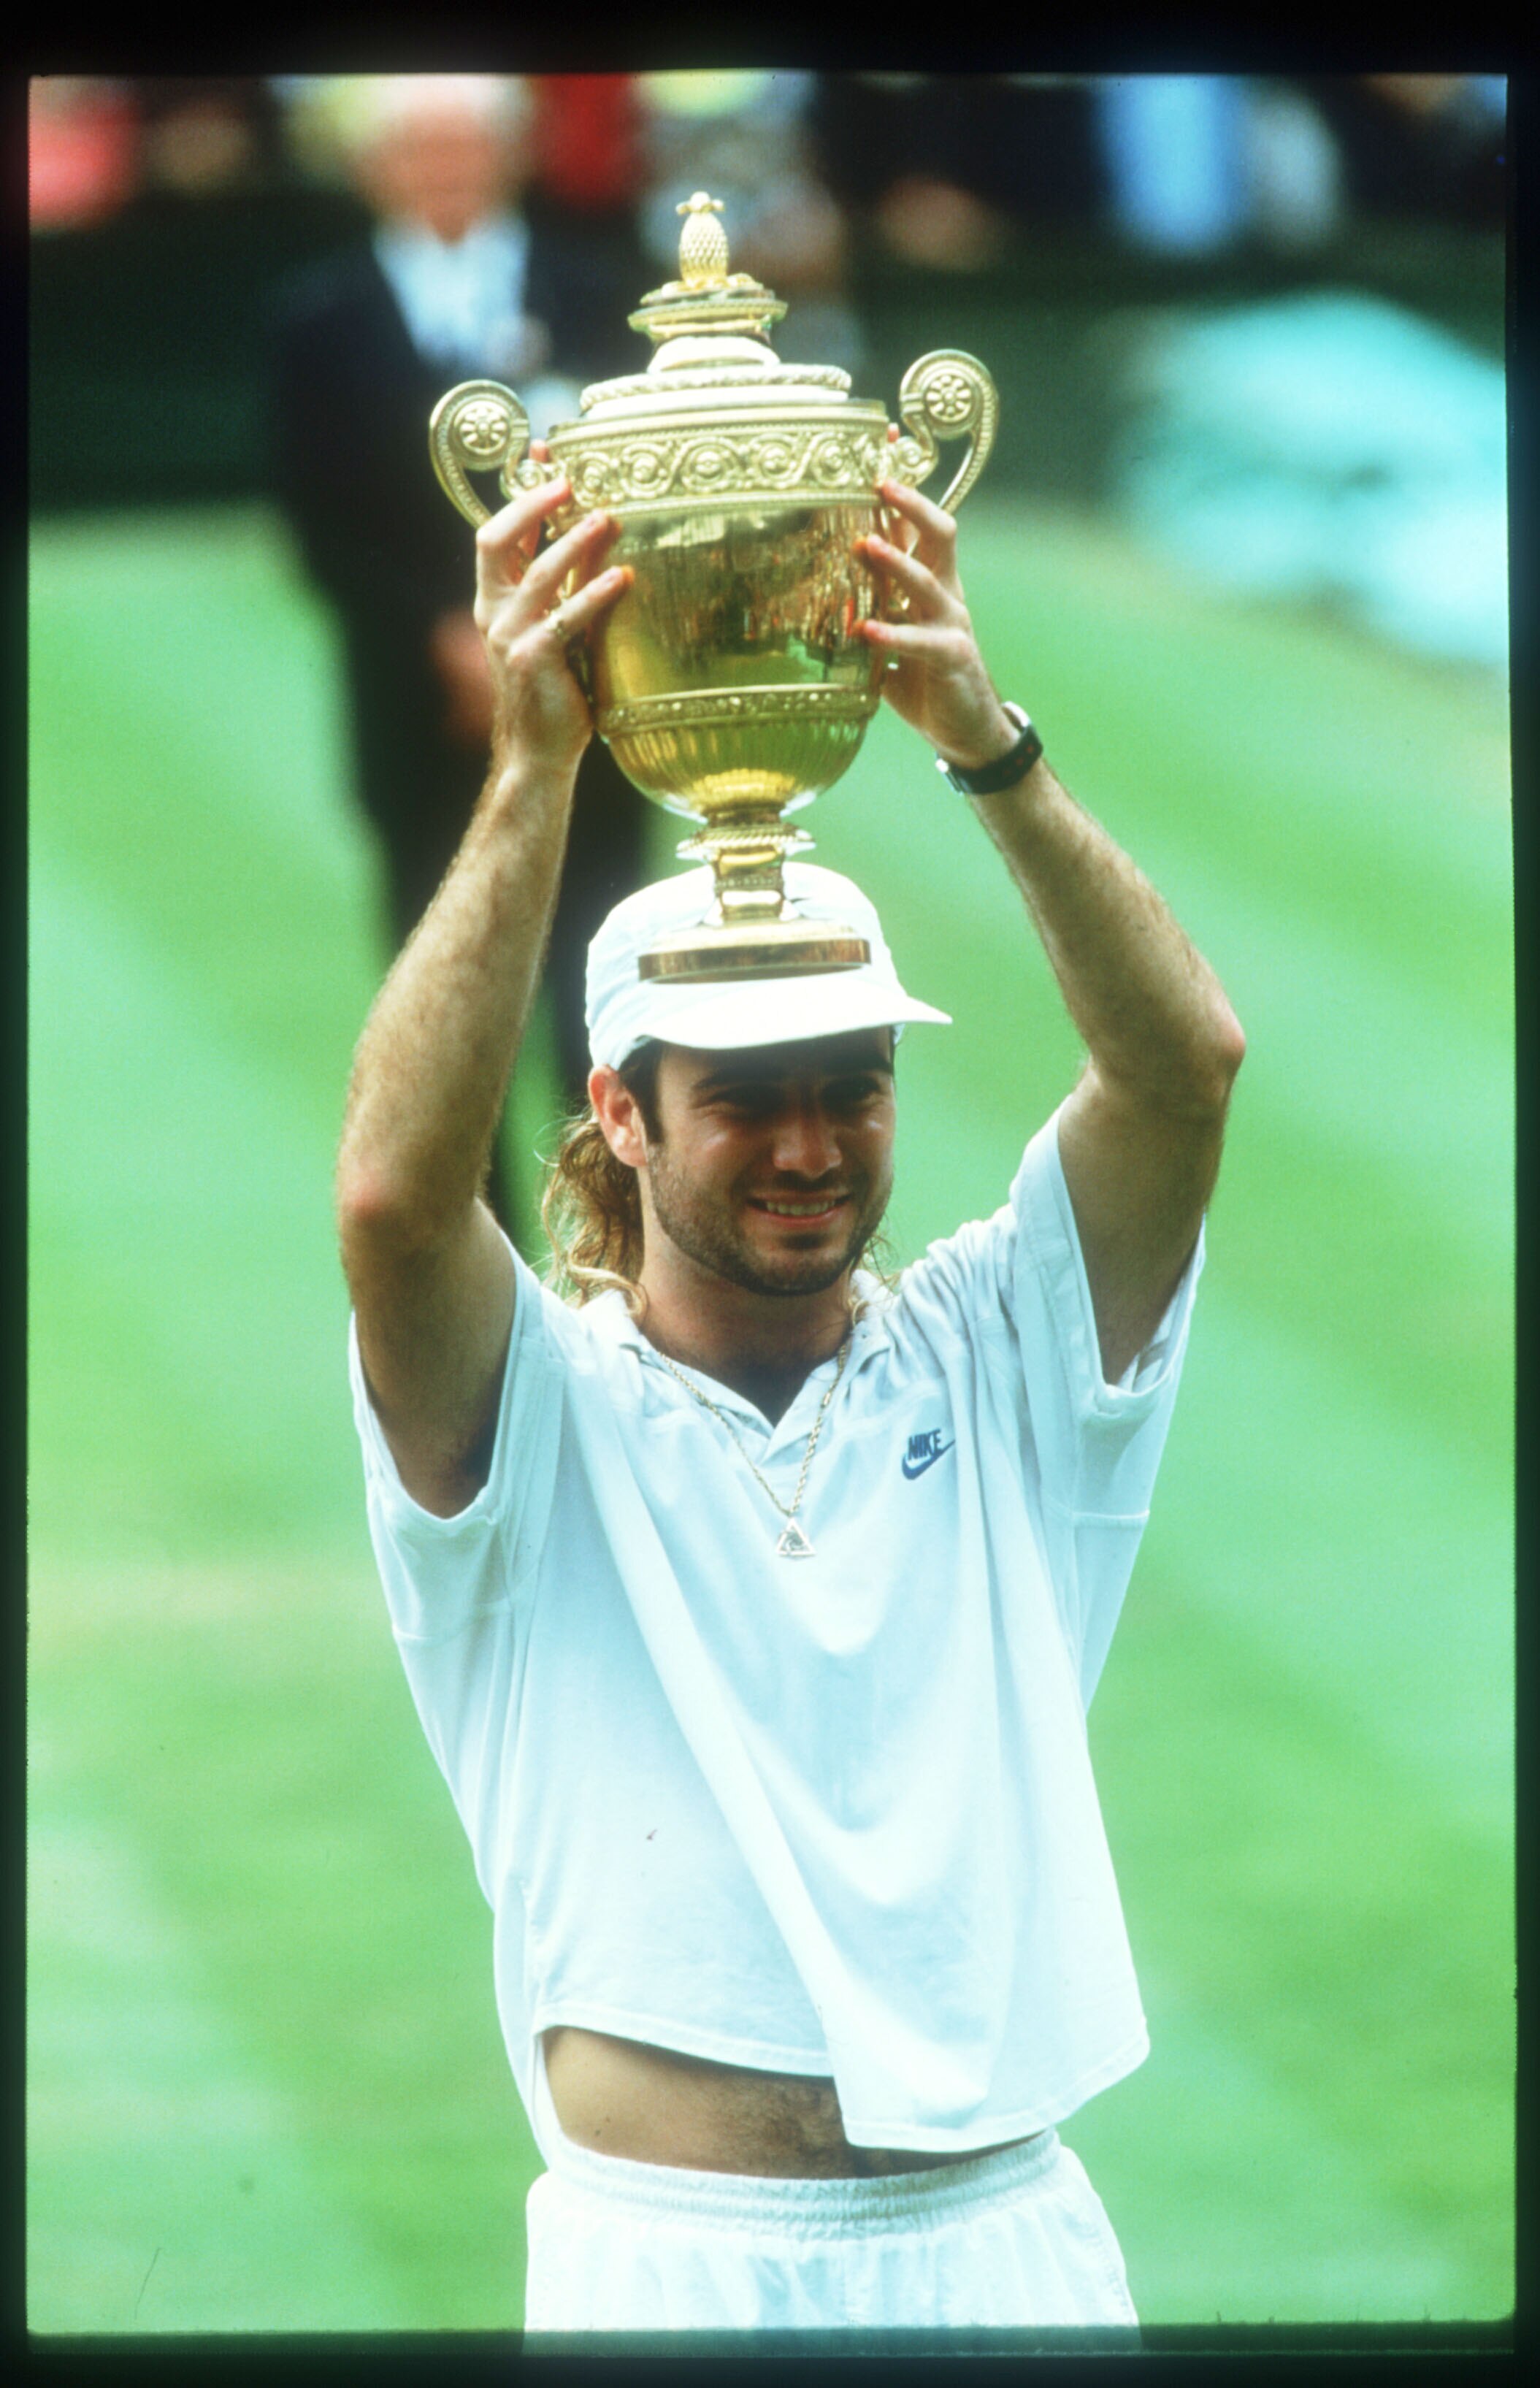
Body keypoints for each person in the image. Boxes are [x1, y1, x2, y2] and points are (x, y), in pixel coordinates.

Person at [337, 459, 1245, 2333]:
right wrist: (532, 771)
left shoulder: (995, 1352)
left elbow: (1180, 1071)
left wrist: (983, 744)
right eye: (745, 1096)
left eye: (851, 1084)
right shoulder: (533, 1414)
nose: (812, 1145)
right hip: (666, 2265)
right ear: (617, 1110)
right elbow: (395, 1201)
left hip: (1002, 2247)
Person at [269, 74, 647, 1237]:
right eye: (419, 152)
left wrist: (550, 633)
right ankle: (474, 1288)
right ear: (374, 168)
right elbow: (316, 520)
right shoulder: (319, 319)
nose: (443, 174)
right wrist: (450, 637)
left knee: (606, 1004)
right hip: (414, 721)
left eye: (464, 148)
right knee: (447, 1019)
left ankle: (626, 1264)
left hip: (599, 706)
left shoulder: (595, 295)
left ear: (510, 156)